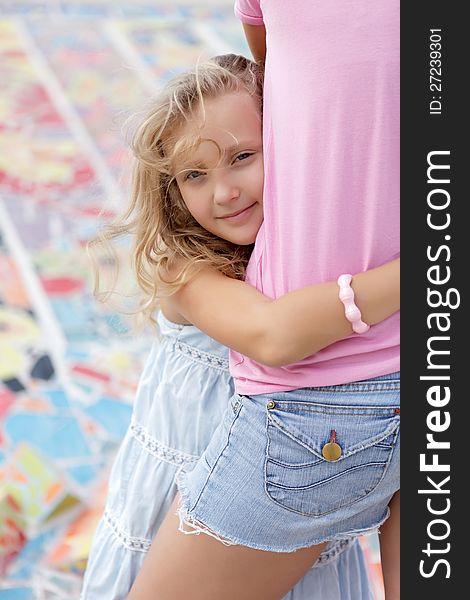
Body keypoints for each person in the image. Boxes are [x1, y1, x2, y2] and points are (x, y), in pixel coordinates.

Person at [81, 53, 399, 600]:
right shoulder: (181, 265)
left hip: (283, 508)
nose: (223, 191)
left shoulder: (305, 251)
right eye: (194, 175)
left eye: (243, 157)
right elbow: (272, 336)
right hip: (190, 502)